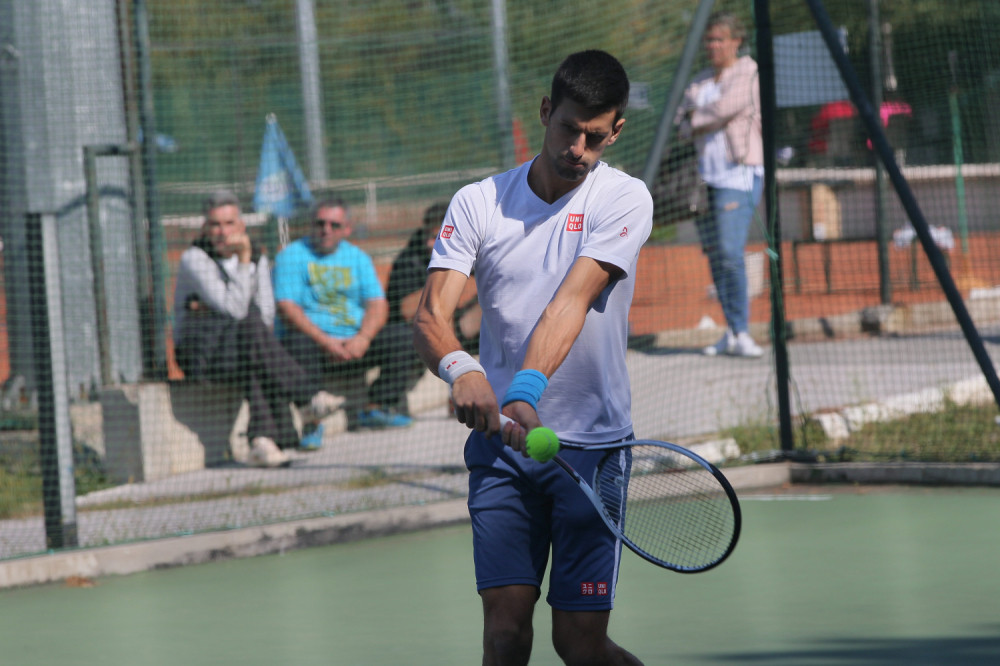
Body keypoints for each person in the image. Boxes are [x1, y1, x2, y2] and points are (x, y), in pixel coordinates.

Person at [413, 50, 651, 665]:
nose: (578, 147)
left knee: (579, 645)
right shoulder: (479, 202)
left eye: (595, 137)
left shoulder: (625, 199)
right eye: (569, 128)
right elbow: (432, 316)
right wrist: (462, 370)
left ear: (615, 132)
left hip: (592, 451)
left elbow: (570, 303)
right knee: (504, 633)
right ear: (546, 111)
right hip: (501, 453)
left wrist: (522, 391)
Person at [173, 190, 343, 468]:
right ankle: (306, 398)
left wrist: (247, 261)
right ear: (205, 227)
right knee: (249, 327)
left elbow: (266, 312)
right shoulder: (195, 258)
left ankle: (261, 443)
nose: (222, 232)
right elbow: (236, 309)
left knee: (253, 342)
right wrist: (242, 259)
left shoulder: (257, 256)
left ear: (241, 225)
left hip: (239, 348)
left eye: (229, 224)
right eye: (215, 224)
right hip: (200, 353)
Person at [273, 198, 414, 429]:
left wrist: (363, 338)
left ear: (347, 229)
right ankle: (313, 419)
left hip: (356, 345)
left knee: (401, 336)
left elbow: (378, 304)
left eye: (334, 225)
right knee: (296, 342)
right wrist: (325, 341)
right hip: (315, 347)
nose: (326, 230)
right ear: (311, 225)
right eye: (320, 223)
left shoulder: (357, 257)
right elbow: (287, 308)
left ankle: (376, 407)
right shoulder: (291, 256)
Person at [676, 11, 765, 358]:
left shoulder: (748, 70)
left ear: (736, 41)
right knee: (715, 256)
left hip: (738, 175)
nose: (713, 45)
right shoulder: (698, 80)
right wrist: (697, 119)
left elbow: (730, 106)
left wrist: (696, 118)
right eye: (709, 39)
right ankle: (729, 330)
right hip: (703, 181)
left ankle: (742, 332)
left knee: (730, 251)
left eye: (719, 39)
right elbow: (681, 125)